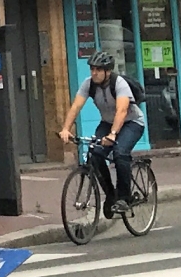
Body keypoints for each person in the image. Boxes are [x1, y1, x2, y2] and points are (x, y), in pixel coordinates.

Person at [59, 51, 143, 215]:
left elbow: (122, 110)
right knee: (95, 155)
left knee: (120, 153)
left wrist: (112, 135)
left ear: (107, 71)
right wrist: (66, 128)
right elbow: (76, 106)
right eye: (92, 69)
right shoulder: (88, 84)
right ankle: (111, 196)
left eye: (98, 69)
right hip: (107, 123)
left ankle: (124, 198)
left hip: (131, 123)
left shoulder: (119, 84)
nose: (94, 73)